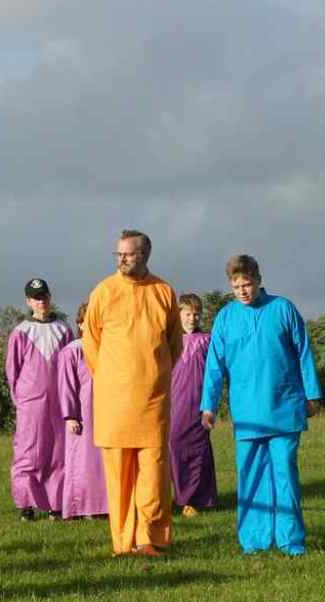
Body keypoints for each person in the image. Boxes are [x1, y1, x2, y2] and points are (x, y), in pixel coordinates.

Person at [200, 255, 321, 556]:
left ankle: (291, 541)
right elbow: (214, 365)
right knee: (251, 476)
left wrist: (312, 394)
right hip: (247, 413)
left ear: (258, 280)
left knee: (285, 474)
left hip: (284, 408)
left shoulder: (283, 308)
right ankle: (254, 541)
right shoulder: (225, 317)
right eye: (236, 286)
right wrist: (208, 406)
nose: (243, 291)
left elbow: (304, 352)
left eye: (247, 284)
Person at [83, 230, 182, 556]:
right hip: (114, 403)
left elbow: (174, 345)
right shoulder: (103, 291)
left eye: (127, 254)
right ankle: (123, 543)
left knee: (154, 475)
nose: (121, 259)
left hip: (153, 400)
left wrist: (154, 375)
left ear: (144, 255)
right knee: (119, 478)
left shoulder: (163, 292)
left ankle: (150, 540)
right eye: (118, 254)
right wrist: (111, 379)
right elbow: (91, 345)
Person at [5, 278, 73, 520]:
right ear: (28, 301)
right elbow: (12, 371)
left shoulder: (64, 329)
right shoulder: (21, 332)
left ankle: (56, 503)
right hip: (31, 402)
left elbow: (70, 365)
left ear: (49, 297)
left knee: (58, 450)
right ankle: (26, 504)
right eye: (36, 298)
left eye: (44, 296)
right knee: (29, 450)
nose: (41, 301)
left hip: (59, 401)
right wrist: (21, 400)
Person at [56, 302, 107, 520]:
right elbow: (66, 385)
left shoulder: (108, 349)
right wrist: (70, 416)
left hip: (105, 412)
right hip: (82, 415)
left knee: (103, 462)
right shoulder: (72, 350)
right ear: (80, 324)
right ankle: (81, 507)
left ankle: (104, 506)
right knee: (82, 462)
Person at [169, 294, 217, 517]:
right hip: (173, 403)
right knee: (174, 447)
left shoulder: (207, 340)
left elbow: (215, 373)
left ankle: (195, 499)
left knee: (198, 449)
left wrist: (210, 405)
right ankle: (179, 494)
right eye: (187, 314)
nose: (192, 318)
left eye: (196, 314)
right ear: (178, 315)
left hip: (199, 402)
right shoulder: (169, 340)